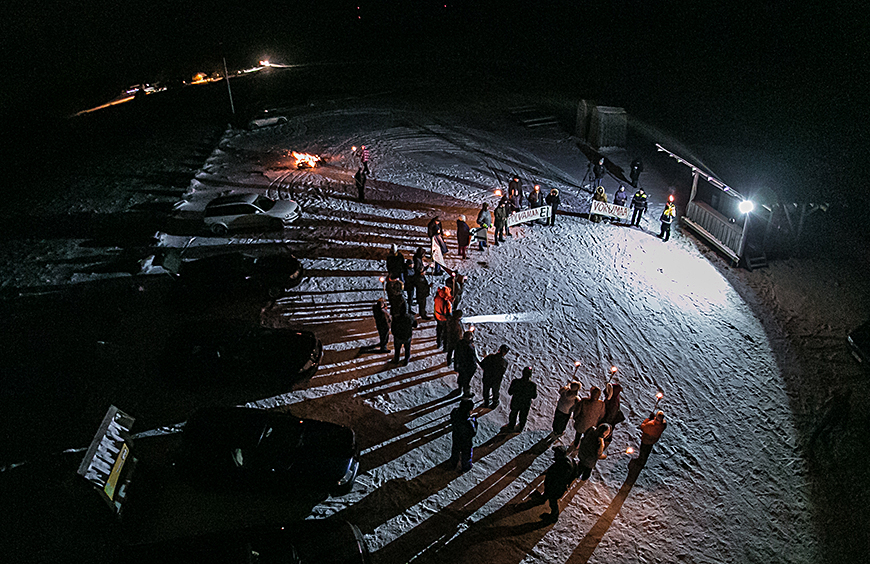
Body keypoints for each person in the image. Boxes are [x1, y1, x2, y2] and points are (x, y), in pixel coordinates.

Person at [539, 445, 577, 522]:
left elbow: (556, 477)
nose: (554, 454)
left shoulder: (563, 465)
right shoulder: (569, 461)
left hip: (556, 487)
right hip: (556, 485)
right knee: (549, 495)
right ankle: (543, 498)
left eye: (556, 453)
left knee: (553, 501)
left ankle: (554, 516)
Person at [571, 386, 605, 451]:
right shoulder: (601, 404)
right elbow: (601, 416)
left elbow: (577, 412)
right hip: (591, 426)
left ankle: (575, 445)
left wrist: (576, 419)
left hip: (581, 424)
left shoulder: (583, 401)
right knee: (587, 437)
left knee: (578, 435)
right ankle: (582, 448)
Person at [505, 366, 538, 432]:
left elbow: (510, 392)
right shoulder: (532, 385)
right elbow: (534, 396)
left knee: (513, 414)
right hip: (525, 404)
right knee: (523, 416)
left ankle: (511, 426)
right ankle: (520, 427)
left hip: (516, 402)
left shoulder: (515, 382)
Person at [448, 399, 477, 472]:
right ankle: (466, 466)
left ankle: (453, 462)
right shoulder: (469, 423)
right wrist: (474, 420)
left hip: (456, 435)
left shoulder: (455, 412)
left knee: (455, 449)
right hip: (466, 440)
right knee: (466, 453)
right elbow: (473, 432)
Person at [480, 344, 510, 408]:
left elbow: (482, 365)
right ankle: (495, 402)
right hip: (496, 380)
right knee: (495, 391)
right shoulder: (504, 362)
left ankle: (486, 402)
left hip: (487, 377)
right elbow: (503, 372)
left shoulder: (490, 357)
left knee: (486, 390)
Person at [454, 330, 478, 398]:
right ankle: (466, 393)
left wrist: (456, 365)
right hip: (468, 367)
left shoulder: (459, 343)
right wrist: (474, 367)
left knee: (461, 377)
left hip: (461, 365)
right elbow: (472, 358)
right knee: (466, 380)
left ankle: (459, 389)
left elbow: (456, 355)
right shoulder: (469, 347)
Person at [413, 250, 432, 319]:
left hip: (422, 293)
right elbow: (422, 287)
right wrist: (428, 287)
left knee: (422, 304)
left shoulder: (421, 277)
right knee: (422, 304)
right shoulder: (420, 279)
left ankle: (423, 313)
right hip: (422, 294)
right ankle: (423, 314)